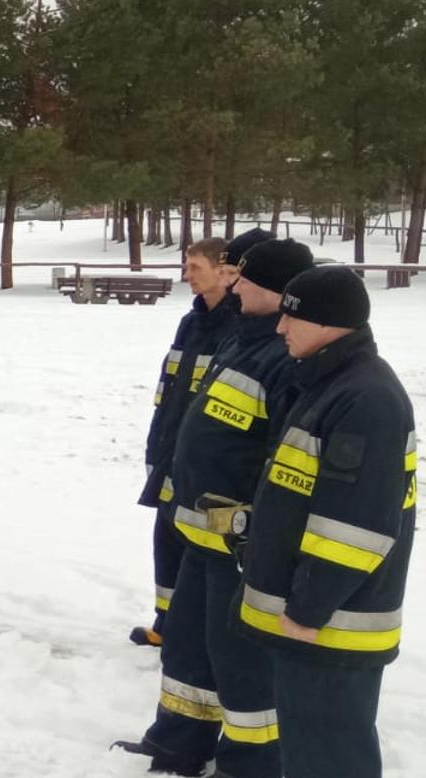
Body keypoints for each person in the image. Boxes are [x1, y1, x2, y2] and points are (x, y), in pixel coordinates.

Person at [114, 235, 311, 777]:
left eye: (246, 277)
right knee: (188, 649)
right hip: (198, 533)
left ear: (277, 291)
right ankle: (178, 744)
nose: (235, 283)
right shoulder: (241, 337)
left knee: (240, 663)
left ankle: (248, 765)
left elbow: (283, 460)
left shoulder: (285, 357)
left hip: (237, 543)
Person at [237, 266, 413, 778]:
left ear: (328, 322)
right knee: (310, 750)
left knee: (329, 757)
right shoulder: (328, 382)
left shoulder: (366, 399)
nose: (279, 328)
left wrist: (309, 607)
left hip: (333, 628)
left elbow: (359, 526)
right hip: (317, 623)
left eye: (291, 317)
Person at [133, 236, 240, 646]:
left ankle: (192, 629)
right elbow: (170, 389)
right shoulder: (191, 322)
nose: (186, 275)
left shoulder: (238, 328)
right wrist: (157, 444)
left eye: (195, 267)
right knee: (166, 539)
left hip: (205, 457)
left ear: (223, 272)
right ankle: (167, 623)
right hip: (171, 449)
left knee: (197, 545)